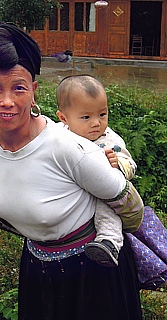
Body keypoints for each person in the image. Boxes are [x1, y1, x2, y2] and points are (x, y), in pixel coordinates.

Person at [0, 22, 143, 320]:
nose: (7, 101)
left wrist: (112, 238)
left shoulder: (68, 147)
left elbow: (128, 201)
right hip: (37, 266)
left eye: (18, 87)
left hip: (93, 273)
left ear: (33, 91)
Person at [56, 74, 137, 267]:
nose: (96, 123)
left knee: (106, 207)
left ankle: (109, 243)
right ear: (63, 118)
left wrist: (118, 164)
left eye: (102, 114)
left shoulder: (109, 141)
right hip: (71, 192)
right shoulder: (58, 134)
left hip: (100, 193)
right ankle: (23, 218)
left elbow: (130, 164)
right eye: (86, 117)